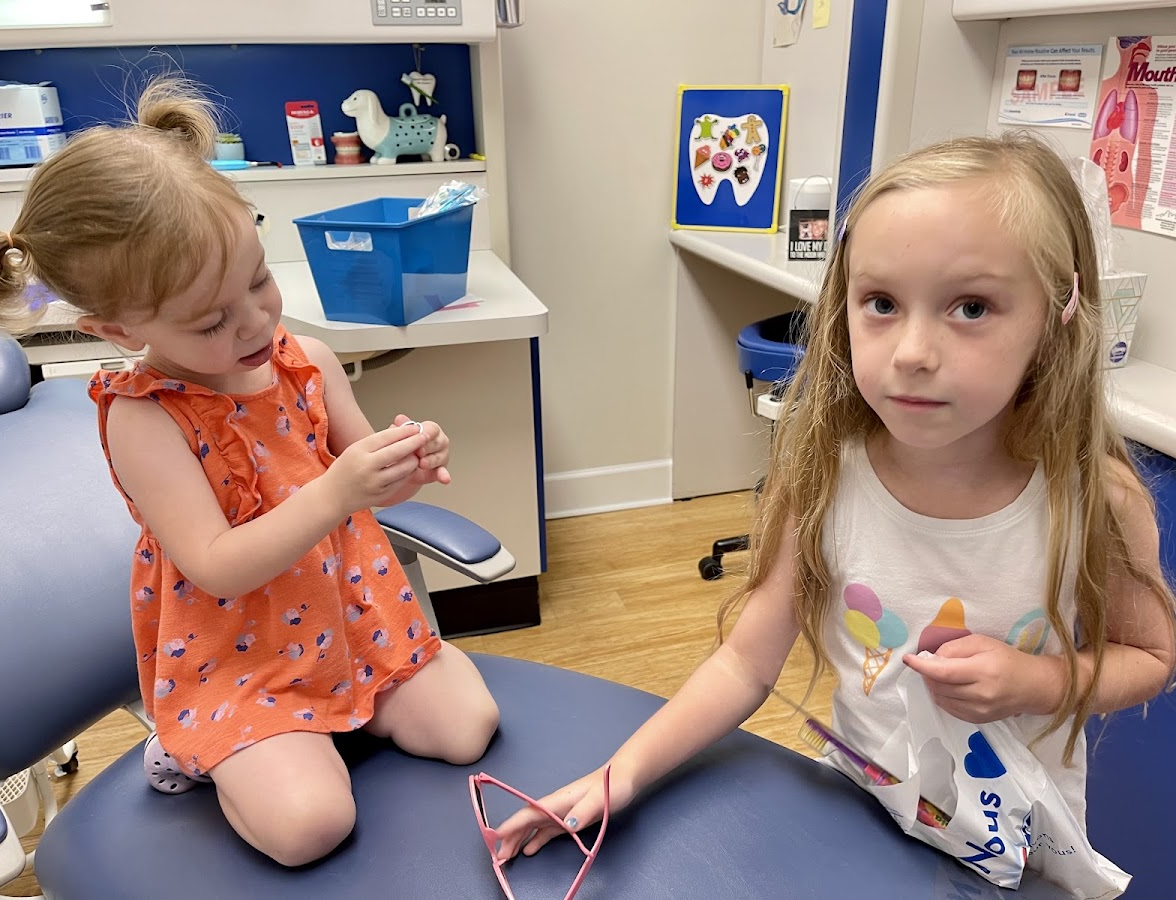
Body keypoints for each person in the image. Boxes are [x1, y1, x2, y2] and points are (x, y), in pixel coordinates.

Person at [494, 133, 1176, 873]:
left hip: (1016, 838)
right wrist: (618, 774)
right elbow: (744, 665)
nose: (912, 352)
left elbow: (1150, 657)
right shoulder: (825, 476)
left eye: (972, 307)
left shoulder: (1096, 497)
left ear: (1057, 311)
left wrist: (1039, 683)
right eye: (881, 303)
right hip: (861, 812)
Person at [0, 78, 499, 868]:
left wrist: (410, 459)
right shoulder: (146, 421)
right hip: (243, 658)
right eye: (211, 320)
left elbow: (372, 479)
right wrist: (338, 490)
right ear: (115, 328)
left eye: (257, 280)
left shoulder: (307, 362)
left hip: (351, 618)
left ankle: (336, 715)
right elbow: (217, 566)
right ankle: (194, 747)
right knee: (310, 827)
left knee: (467, 729)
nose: (255, 322)